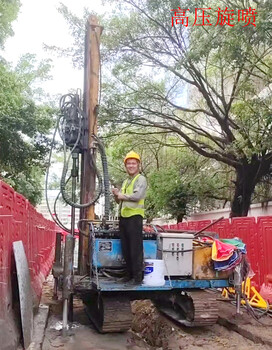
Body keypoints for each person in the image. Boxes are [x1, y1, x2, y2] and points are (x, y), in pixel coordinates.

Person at [112, 151, 147, 284]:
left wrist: (121, 195)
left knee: (135, 248)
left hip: (135, 217)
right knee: (125, 247)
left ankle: (137, 277)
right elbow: (120, 201)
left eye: (133, 163)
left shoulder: (141, 179)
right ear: (125, 166)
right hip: (124, 217)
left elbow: (137, 197)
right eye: (128, 163)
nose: (131, 166)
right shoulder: (126, 181)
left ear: (138, 165)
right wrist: (116, 195)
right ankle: (129, 274)